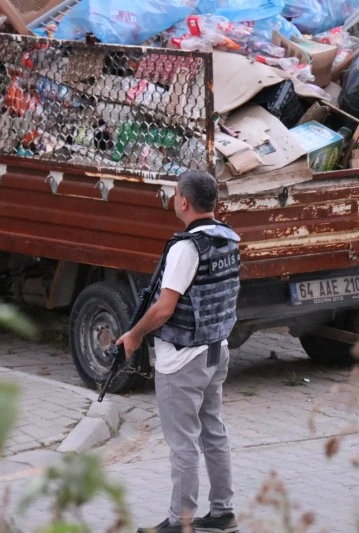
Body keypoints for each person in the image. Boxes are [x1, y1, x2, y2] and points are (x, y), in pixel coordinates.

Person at [116, 170, 241, 533]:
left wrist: (135, 335)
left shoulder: (187, 248)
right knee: (213, 431)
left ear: (184, 202)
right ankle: (222, 512)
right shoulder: (229, 239)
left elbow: (164, 308)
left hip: (183, 359)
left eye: (175, 195)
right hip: (217, 349)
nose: (174, 200)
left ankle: (180, 520)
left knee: (183, 441)